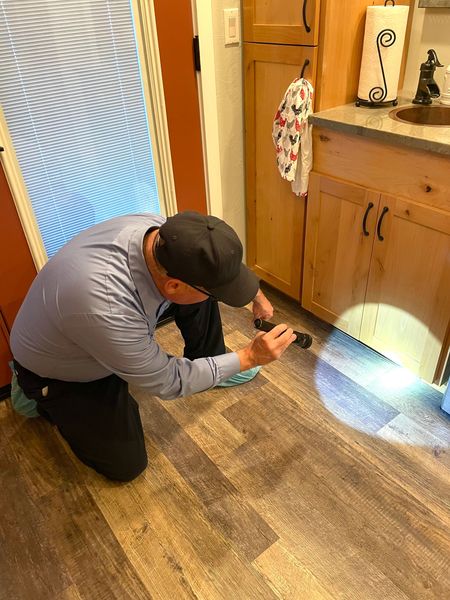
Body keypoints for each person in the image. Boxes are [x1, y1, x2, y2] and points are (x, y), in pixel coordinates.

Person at [10, 211, 296, 481]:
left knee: (201, 293)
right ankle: (32, 392)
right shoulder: (107, 307)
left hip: (101, 330)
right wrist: (249, 357)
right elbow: (168, 380)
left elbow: (216, 261)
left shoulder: (165, 234)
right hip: (63, 367)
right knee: (126, 465)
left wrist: (254, 294)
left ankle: (210, 362)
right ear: (172, 287)